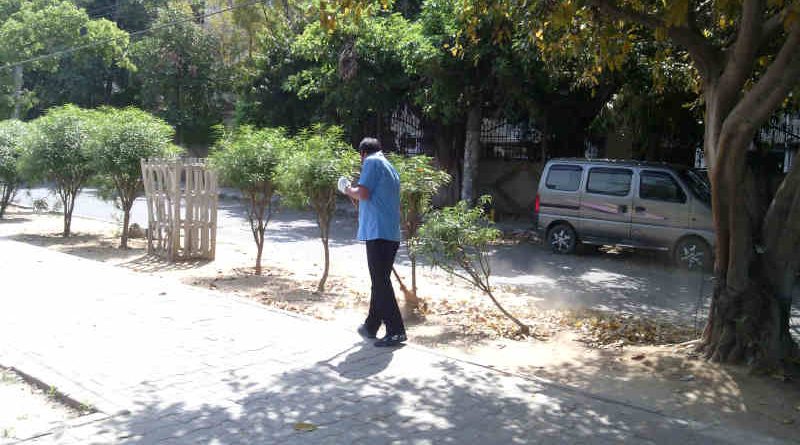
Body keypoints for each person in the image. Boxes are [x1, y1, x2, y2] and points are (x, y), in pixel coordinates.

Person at [340, 137, 406, 347]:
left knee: (380, 282)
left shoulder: (371, 162)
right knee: (380, 282)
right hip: (390, 233)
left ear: (362, 153)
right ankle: (371, 325)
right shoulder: (389, 166)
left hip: (377, 233)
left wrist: (347, 189)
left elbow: (363, 192)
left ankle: (396, 331)